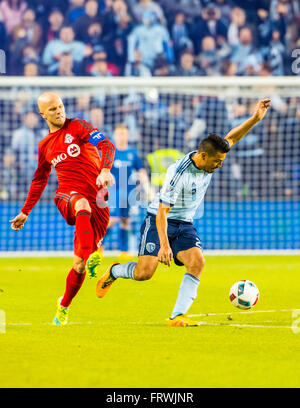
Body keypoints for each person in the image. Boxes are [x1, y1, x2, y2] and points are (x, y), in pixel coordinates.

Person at [95, 99, 271, 327]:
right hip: (159, 219)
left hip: (185, 223)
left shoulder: (212, 155)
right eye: (217, 161)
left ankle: (177, 316)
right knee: (144, 272)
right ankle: (115, 271)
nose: (220, 165)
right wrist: (165, 246)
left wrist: (255, 118)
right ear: (204, 156)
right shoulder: (178, 174)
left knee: (197, 262)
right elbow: (161, 211)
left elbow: (233, 137)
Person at [9, 92, 115, 326]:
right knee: (81, 204)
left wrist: (105, 169)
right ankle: (93, 256)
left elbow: (107, 144)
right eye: (53, 109)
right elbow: (39, 179)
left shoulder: (78, 126)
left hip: (97, 202)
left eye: (60, 106)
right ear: (42, 115)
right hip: (67, 197)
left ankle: (63, 306)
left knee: (78, 266)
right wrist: (25, 211)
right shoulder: (45, 145)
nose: (59, 111)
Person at [107, 124, 151, 258]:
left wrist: (147, 188)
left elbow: (141, 171)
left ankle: (124, 251)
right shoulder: (110, 152)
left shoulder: (132, 153)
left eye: (125, 134)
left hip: (128, 192)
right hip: (114, 191)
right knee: (112, 219)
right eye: (119, 134)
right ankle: (98, 245)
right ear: (115, 136)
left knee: (125, 220)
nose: (122, 136)